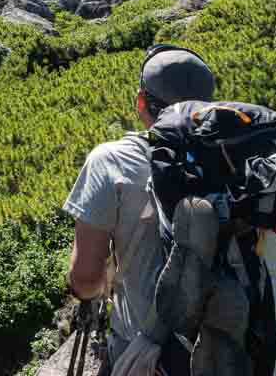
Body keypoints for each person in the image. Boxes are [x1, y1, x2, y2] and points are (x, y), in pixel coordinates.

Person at [63, 45, 216, 372]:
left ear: (141, 102)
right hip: (232, 347)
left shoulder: (111, 160)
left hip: (150, 352)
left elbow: (85, 280)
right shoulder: (238, 160)